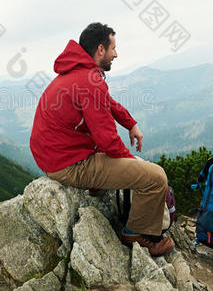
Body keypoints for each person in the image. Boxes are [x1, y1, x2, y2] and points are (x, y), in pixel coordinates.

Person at [29, 22, 174, 256]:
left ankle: (99, 184)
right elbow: (108, 141)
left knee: (128, 163)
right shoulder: (89, 80)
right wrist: (134, 163)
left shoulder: (78, 73)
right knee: (156, 177)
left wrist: (130, 122)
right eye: (113, 48)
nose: (116, 54)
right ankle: (136, 233)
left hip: (55, 156)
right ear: (100, 49)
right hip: (69, 165)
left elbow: (105, 101)